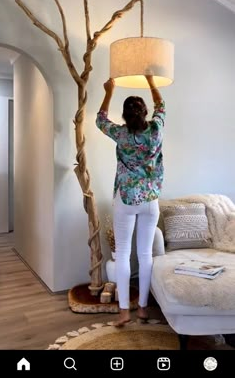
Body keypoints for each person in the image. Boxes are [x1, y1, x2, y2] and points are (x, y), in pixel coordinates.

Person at [96, 75, 165, 326]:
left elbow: (100, 120)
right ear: (144, 113)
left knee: (123, 254)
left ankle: (125, 311)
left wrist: (109, 91)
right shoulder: (156, 130)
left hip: (126, 199)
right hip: (150, 199)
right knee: (145, 254)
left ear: (125, 116)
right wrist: (150, 80)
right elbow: (162, 106)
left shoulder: (120, 134)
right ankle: (144, 308)